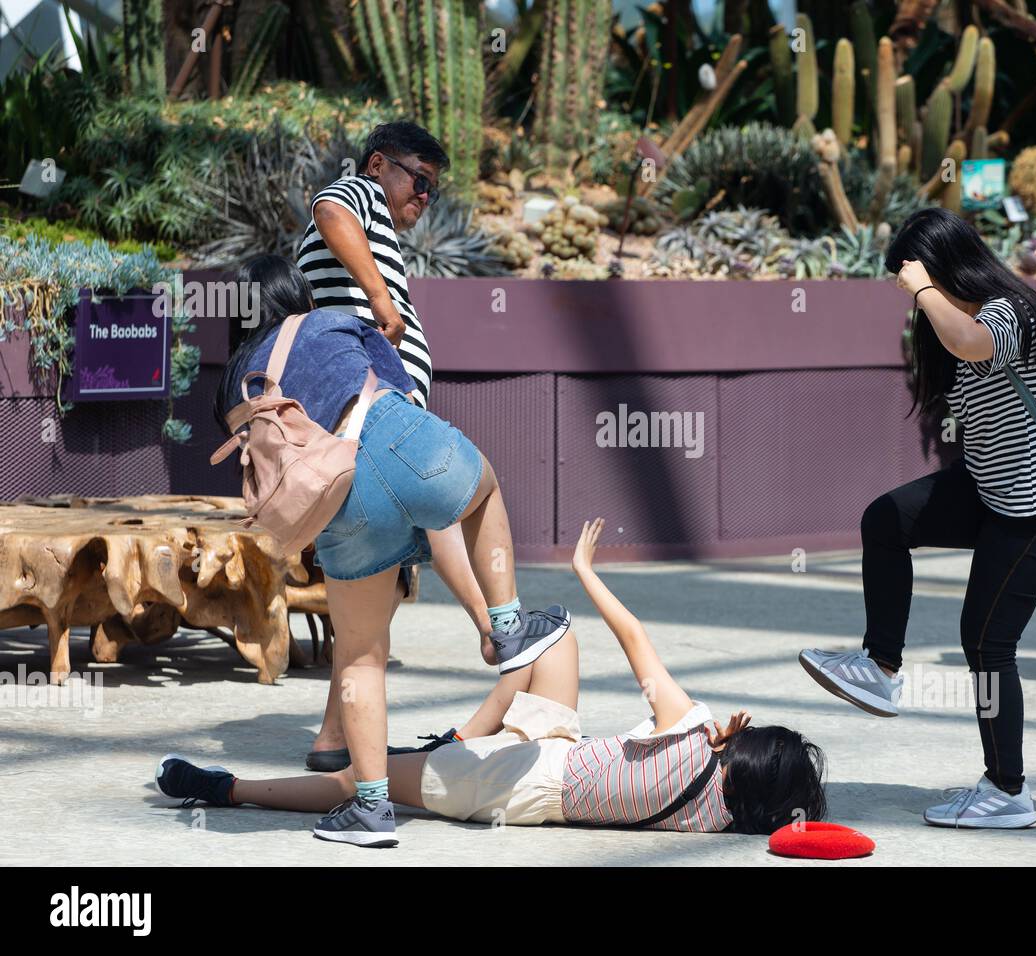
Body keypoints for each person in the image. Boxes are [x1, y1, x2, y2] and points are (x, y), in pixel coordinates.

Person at [155, 518, 827, 845]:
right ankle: (459, 738)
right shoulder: (720, 818)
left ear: (740, 747)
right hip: (558, 753)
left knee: (363, 781)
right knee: (552, 635)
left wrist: (586, 567)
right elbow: (791, 825)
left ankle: (228, 788)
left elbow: (636, 641)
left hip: (516, 784)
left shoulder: (694, 736)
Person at [211, 254, 570, 846]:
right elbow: (397, 384)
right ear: (294, 292)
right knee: (483, 487)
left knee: (358, 656)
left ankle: (372, 810)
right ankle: (507, 626)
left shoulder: (236, 383)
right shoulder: (328, 321)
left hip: (338, 508)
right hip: (390, 436)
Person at [799, 207, 1036, 829]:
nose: (908, 290)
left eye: (914, 274)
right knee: (886, 519)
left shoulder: (1013, 313)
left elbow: (968, 340)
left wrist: (923, 288)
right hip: (989, 489)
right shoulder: (966, 314)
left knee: (986, 643)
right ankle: (881, 666)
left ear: (945, 266)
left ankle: (1008, 790)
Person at [293, 121, 502, 771]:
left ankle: (334, 740)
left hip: (370, 414)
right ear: (380, 164)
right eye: (419, 182)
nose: (423, 199)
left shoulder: (378, 224)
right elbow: (329, 210)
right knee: (458, 492)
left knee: (368, 600)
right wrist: (382, 297)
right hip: (378, 407)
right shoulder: (356, 192)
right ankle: (498, 627)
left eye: (433, 192)